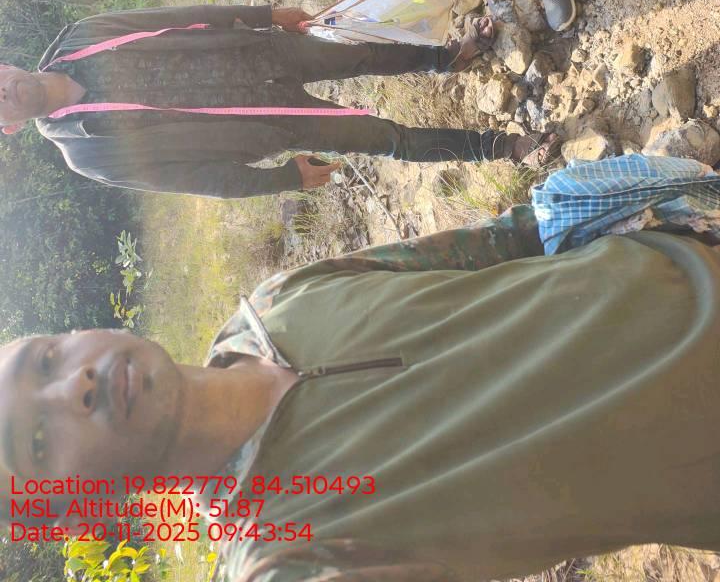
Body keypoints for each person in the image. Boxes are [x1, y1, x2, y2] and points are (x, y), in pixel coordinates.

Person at [0, 206, 718, 581]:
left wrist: (640, 207)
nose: (74, 387)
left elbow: (498, 245)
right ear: (77, 512)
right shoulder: (279, 554)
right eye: (37, 439)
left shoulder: (271, 304)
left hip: (690, 254)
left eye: (45, 360)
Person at [0, 2, 553, 199]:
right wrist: (283, 179)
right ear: (9, 128)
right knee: (388, 138)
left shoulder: (83, 36)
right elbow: (192, 177)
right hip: (273, 125)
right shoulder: (85, 152)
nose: (3, 92)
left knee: (361, 55)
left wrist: (264, 15)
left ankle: (449, 57)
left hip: (260, 54)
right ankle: (504, 147)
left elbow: (181, 18)